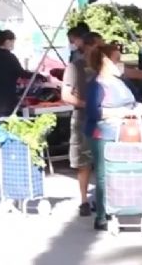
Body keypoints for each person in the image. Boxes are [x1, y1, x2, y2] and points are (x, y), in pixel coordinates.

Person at [85, 44, 142, 231]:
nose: (119, 63)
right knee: (104, 175)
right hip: (103, 133)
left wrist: (139, 110)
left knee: (122, 172)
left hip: (127, 132)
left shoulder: (123, 81)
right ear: (105, 60)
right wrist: (120, 112)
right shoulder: (96, 85)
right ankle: (102, 216)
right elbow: (94, 112)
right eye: (116, 59)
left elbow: (139, 100)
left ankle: (120, 209)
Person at [62, 29, 103, 217]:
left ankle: (103, 200)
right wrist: (89, 105)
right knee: (84, 162)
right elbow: (65, 95)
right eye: (97, 45)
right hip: (83, 119)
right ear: (86, 47)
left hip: (104, 120)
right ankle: (84, 200)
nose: (100, 49)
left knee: (103, 162)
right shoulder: (74, 67)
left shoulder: (104, 66)